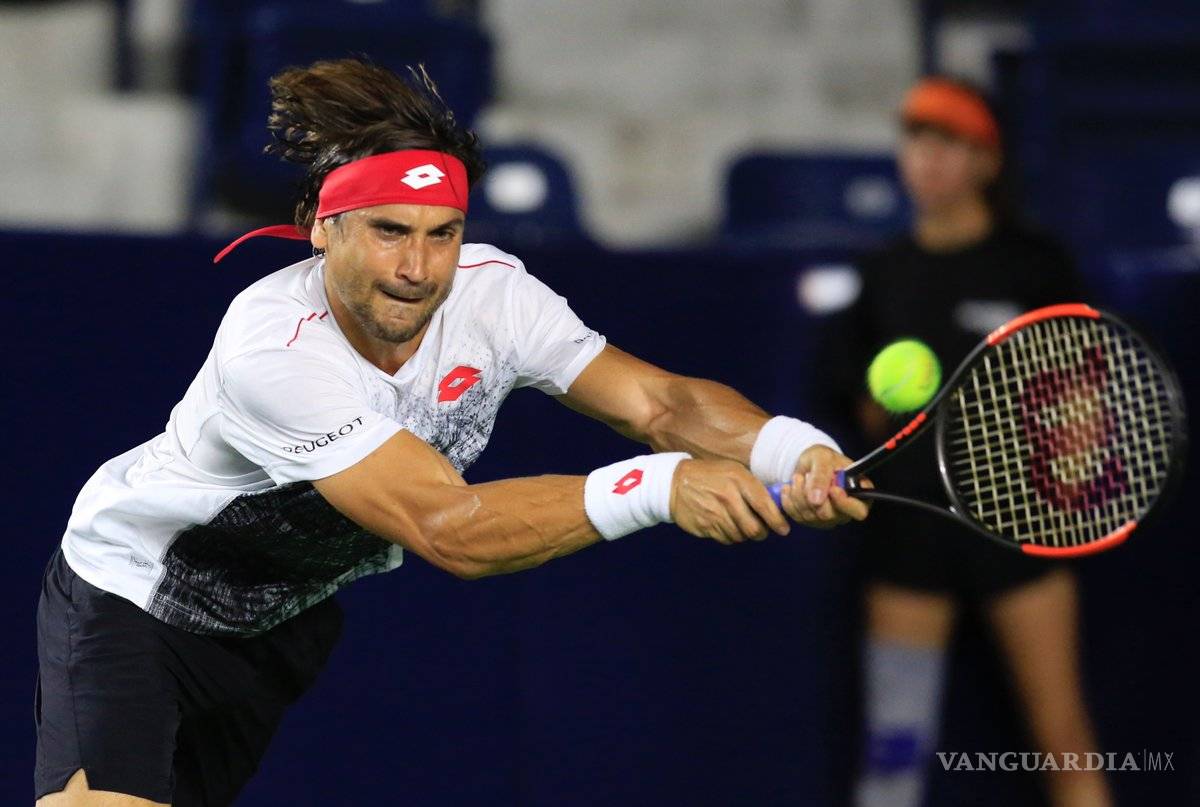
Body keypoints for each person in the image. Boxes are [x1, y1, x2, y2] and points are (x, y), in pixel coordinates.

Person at [34, 59, 868, 807]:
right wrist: (656, 486)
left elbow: (658, 402)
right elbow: (449, 529)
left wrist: (788, 450)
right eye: (389, 231)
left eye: (443, 234)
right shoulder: (274, 349)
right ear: (321, 227)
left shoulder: (494, 297)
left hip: (277, 625)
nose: (418, 269)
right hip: (133, 597)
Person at [838, 77, 1114, 807]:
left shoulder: (1036, 265)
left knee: (1065, 739)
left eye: (950, 142)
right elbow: (865, 420)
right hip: (909, 538)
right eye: (917, 138)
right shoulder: (881, 274)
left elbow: (1081, 405)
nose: (927, 157)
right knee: (892, 752)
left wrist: (1070, 457)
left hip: (1019, 535)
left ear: (987, 160)